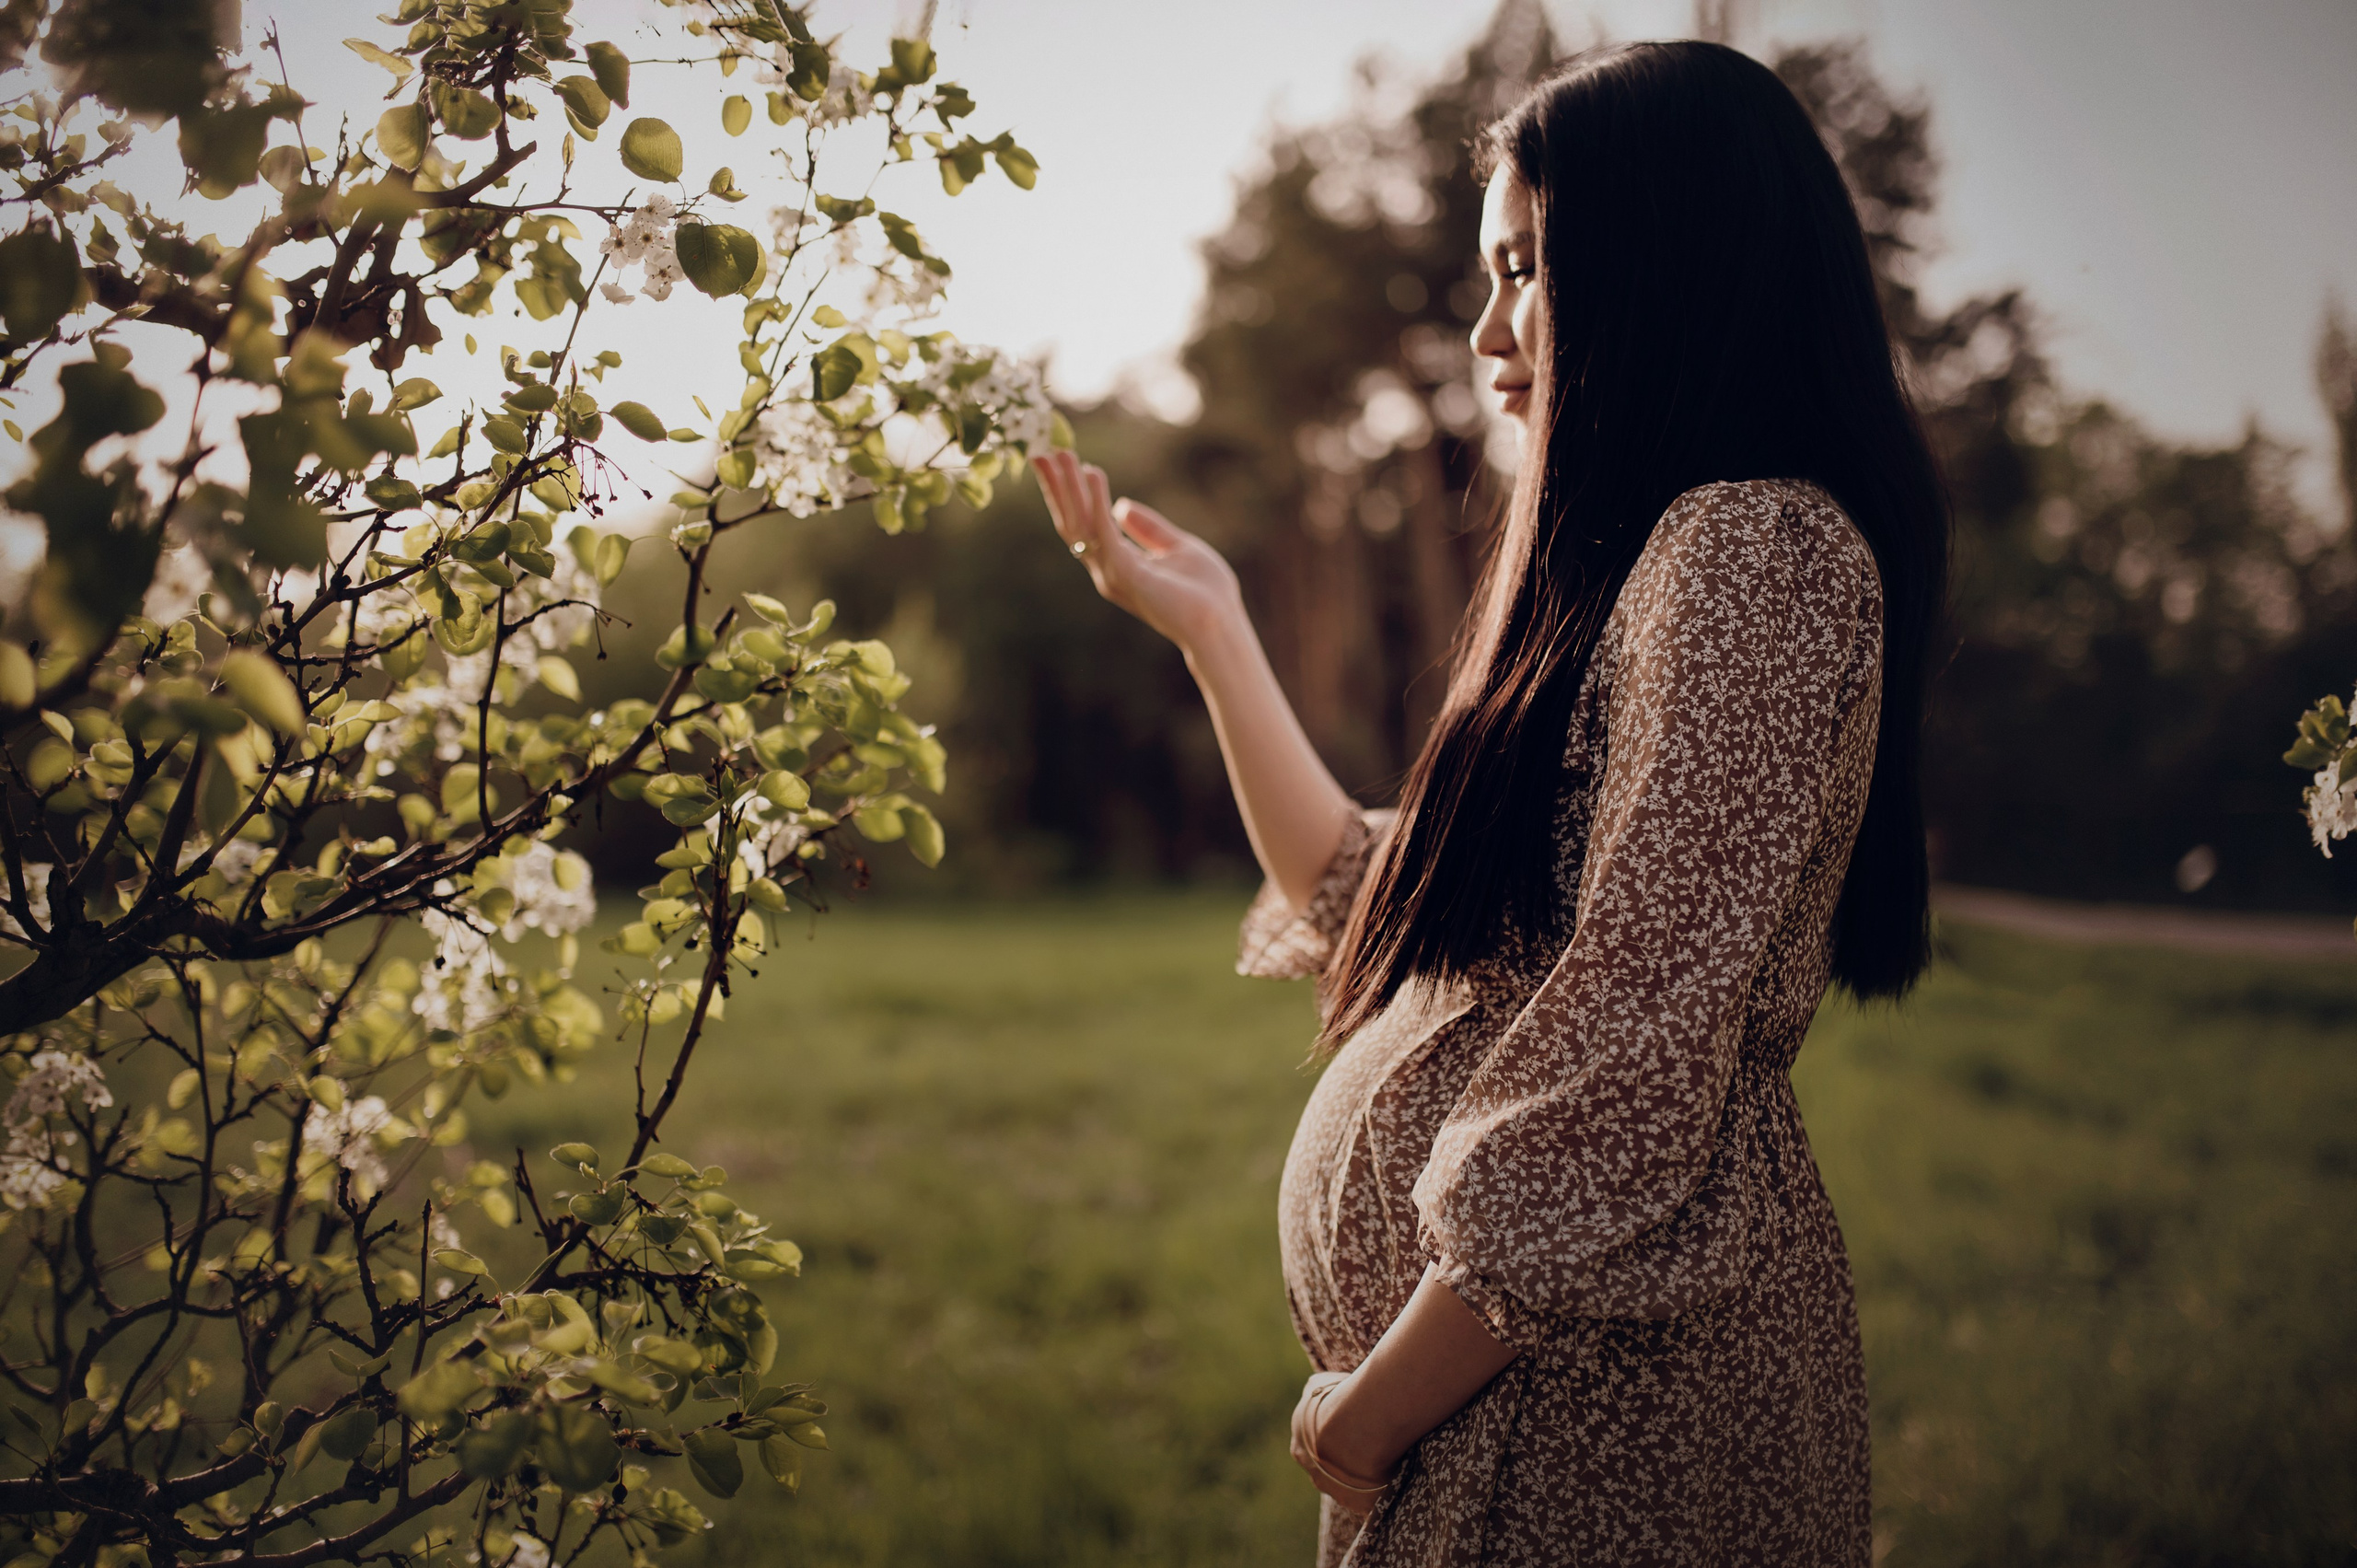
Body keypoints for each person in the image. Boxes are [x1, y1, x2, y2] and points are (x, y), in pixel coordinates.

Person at [1032, 38, 1948, 1568]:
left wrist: (1373, 1416)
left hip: (1602, 1421)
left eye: (1526, 267)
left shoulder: (1754, 553)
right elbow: (1382, 905)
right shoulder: (1654, 569)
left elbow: (1634, 1048)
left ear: (1665, 260)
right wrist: (1214, 630)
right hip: (1512, 1413)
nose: (1486, 328)